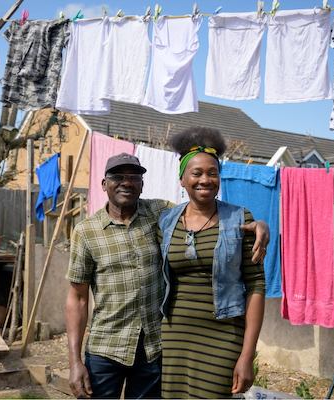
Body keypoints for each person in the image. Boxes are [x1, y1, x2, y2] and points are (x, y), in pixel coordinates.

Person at [65, 152, 269, 399]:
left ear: (142, 185)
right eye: (117, 177)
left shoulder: (160, 214)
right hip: (107, 347)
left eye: (134, 177)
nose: (126, 182)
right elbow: (77, 299)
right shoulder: (87, 232)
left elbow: (203, 210)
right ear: (103, 184)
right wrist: (74, 361)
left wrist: (261, 224)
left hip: (154, 348)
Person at [158, 127, 266, 399]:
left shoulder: (240, 219)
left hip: (223, 334)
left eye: (212, 173)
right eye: (196, 173)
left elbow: (256, 286)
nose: (205, 179)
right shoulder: (166, 221)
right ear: (182, 179)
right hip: (175, 336)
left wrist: (247, 355)